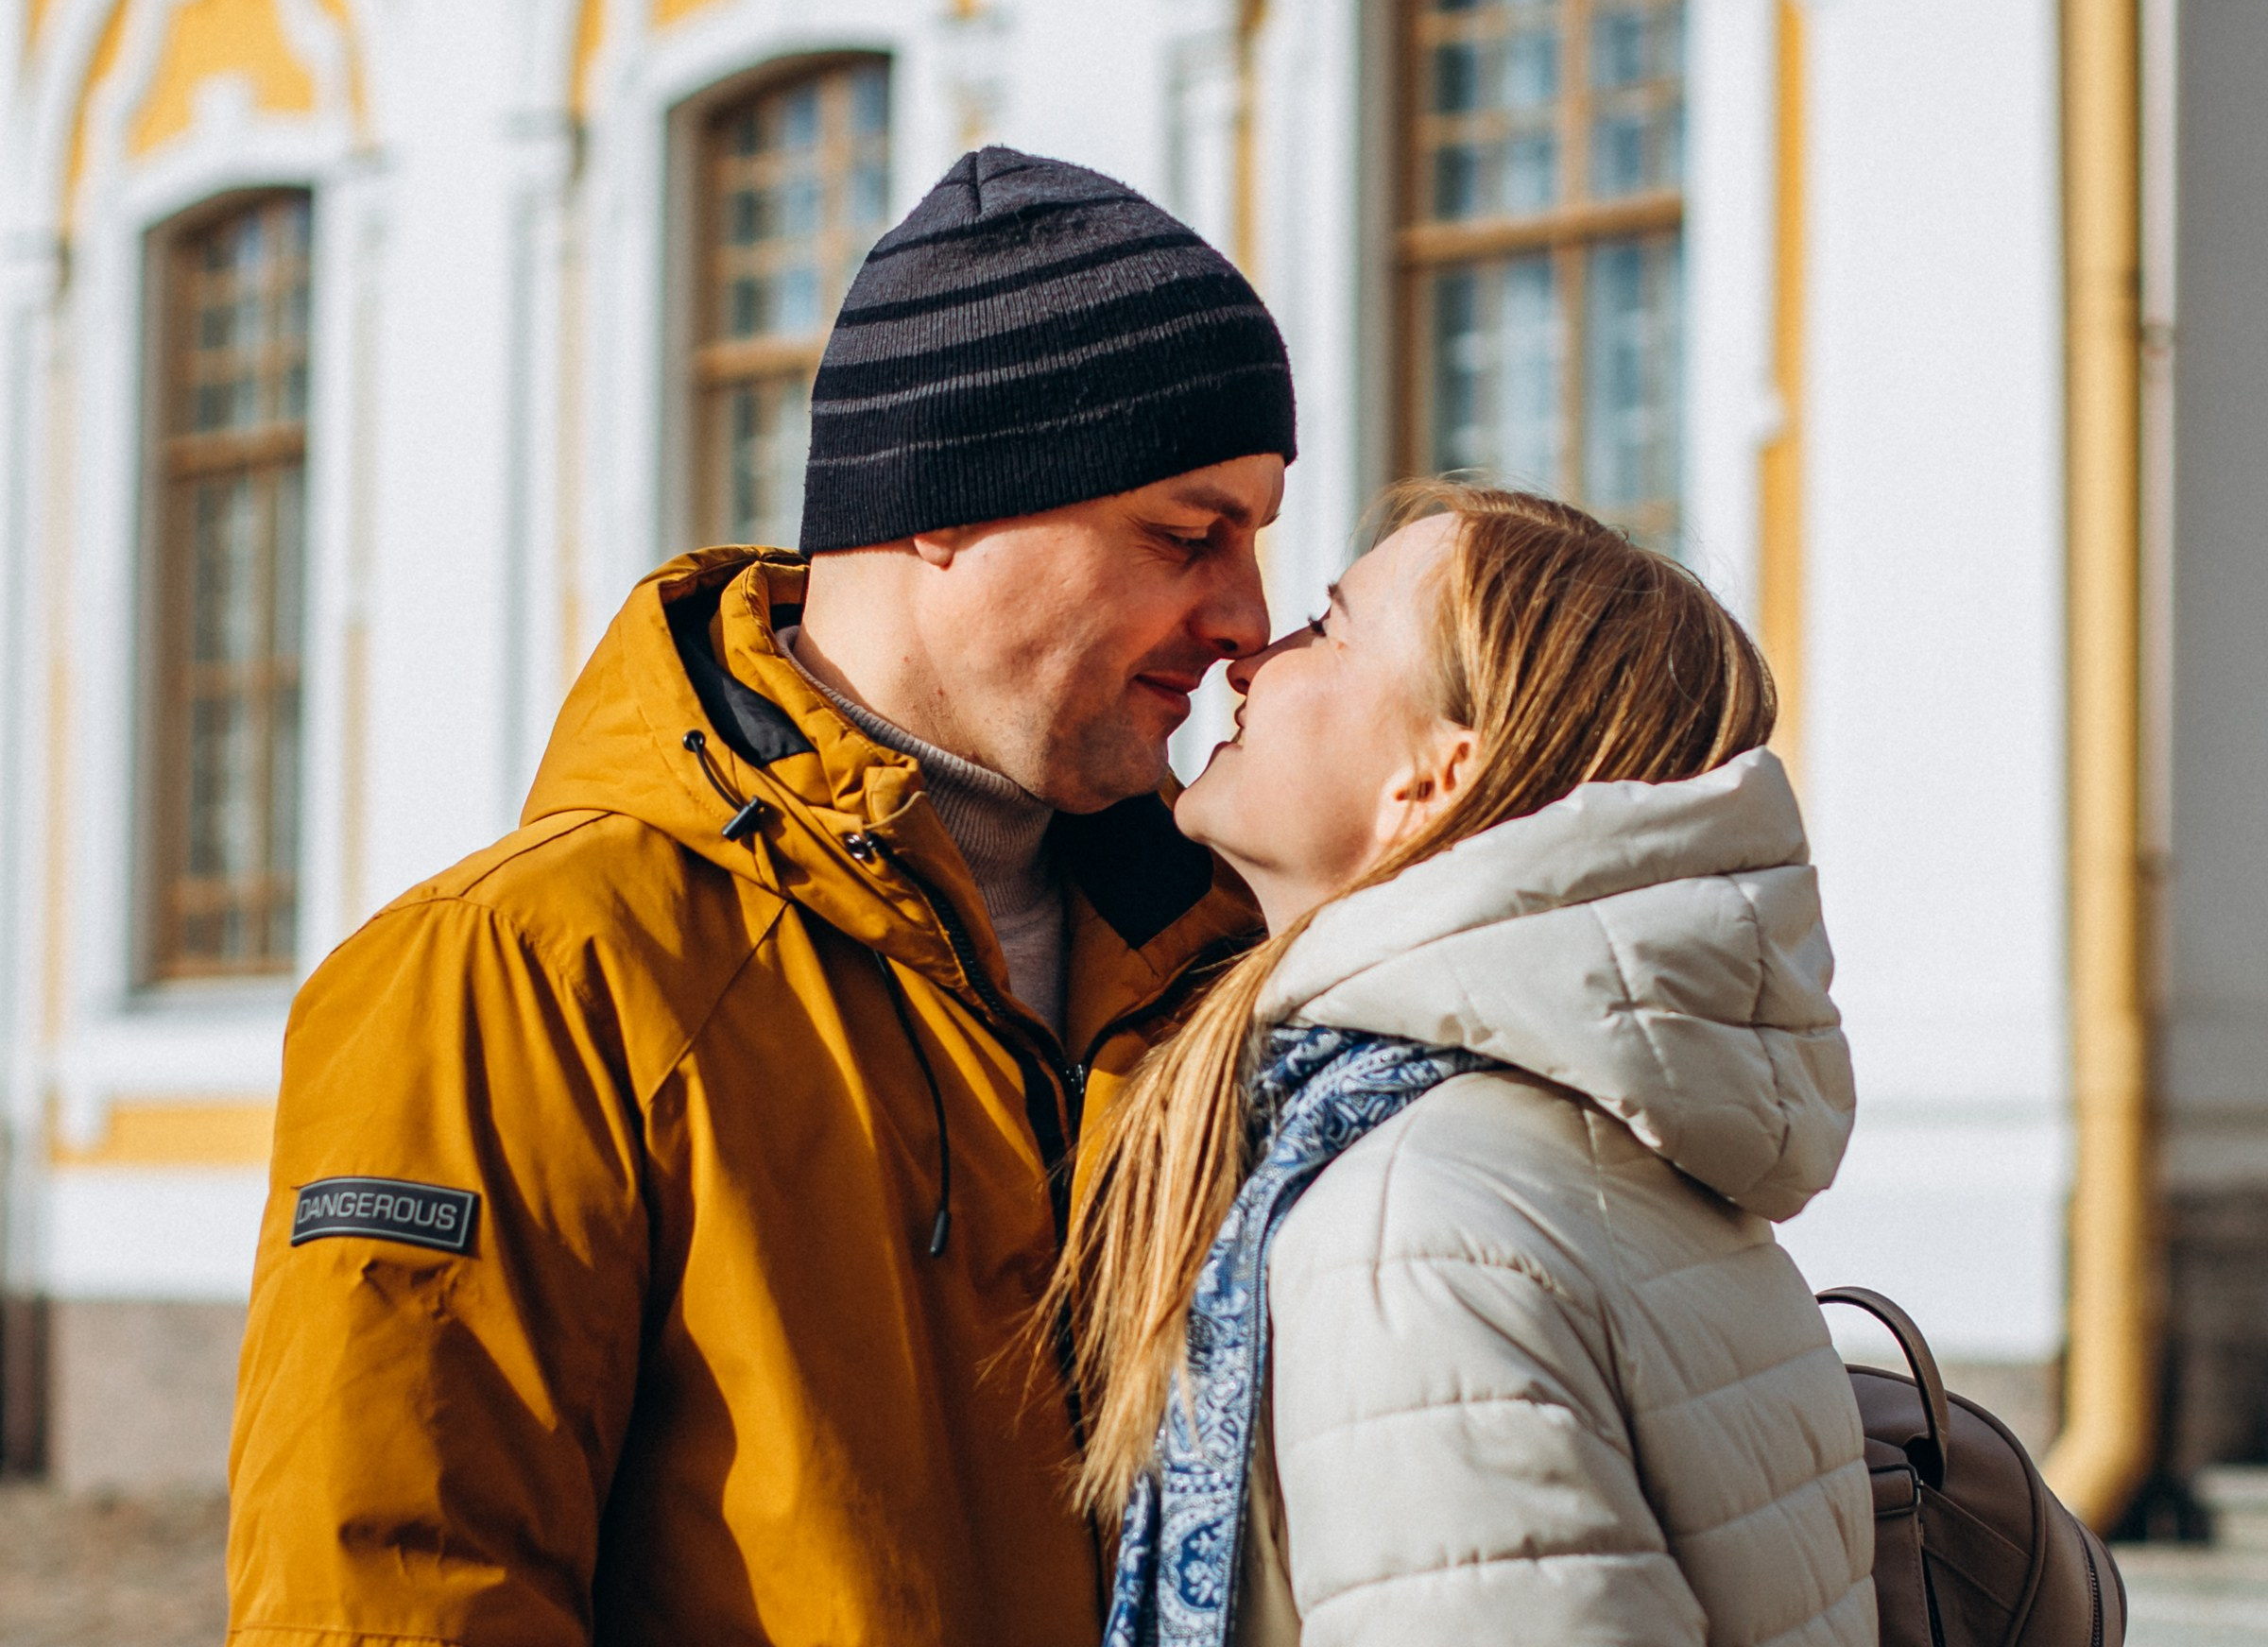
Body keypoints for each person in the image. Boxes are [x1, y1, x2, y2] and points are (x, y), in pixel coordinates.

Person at [226, 147, 1295, 1647]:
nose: (1246, 618)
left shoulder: (1226, 950)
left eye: (1257, 535)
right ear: (944, 500)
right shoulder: (518, 976)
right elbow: (392, 1598)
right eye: (1189, 536)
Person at [1057, 485, 1877, 1647]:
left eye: (1329, 629)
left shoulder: (1406, 1225)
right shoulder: (1587, 1146)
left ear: (1436, 778)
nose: (1252, 659)